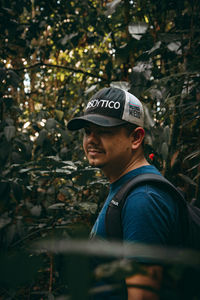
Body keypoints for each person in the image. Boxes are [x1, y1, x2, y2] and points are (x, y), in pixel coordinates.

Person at [67, 87, 182, 300]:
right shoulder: (125, 187)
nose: (91, 140)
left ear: (135, 138)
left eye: (104, 131)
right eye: (87, 131)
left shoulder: (143, 199)